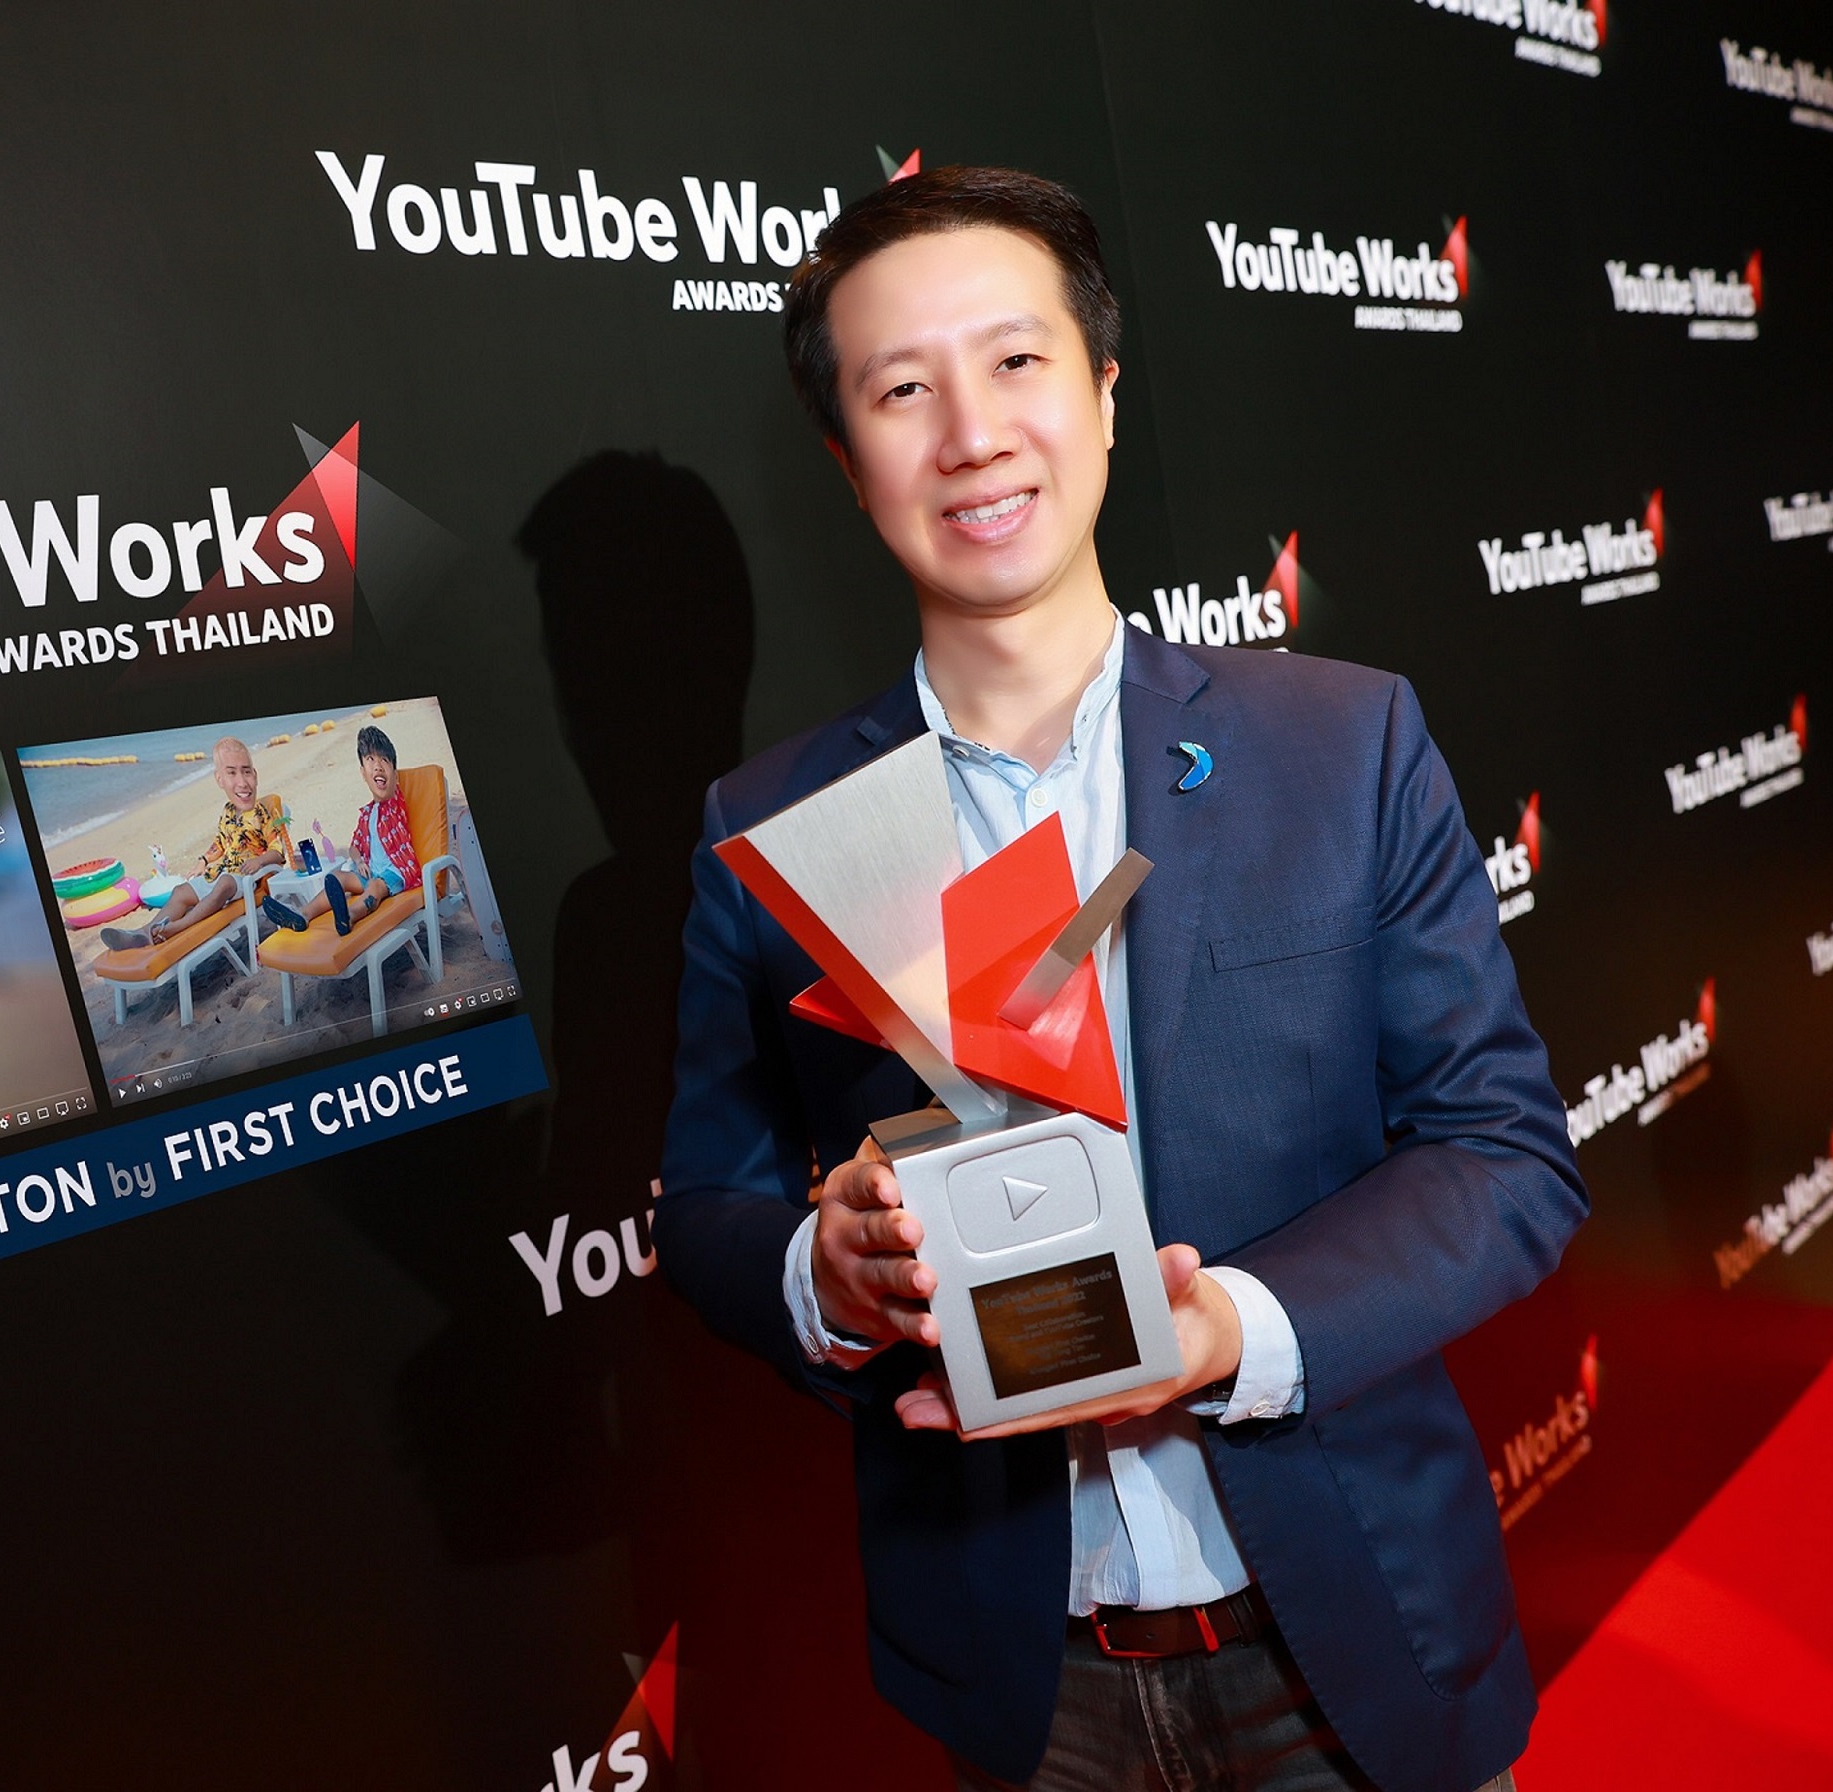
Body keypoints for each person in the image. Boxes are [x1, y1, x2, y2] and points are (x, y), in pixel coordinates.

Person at [655, 166, 1584, 1792]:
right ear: (847, 461)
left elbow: (1504, 1157)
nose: (970, 433)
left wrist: (1224, 1326)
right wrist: (826, 1268)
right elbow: (710, 1211)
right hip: (1028, 1692)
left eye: (1014, 361)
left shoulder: (1341, 744)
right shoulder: (775, 829)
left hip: (1350, 1633)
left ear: (1097, 388)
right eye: (900, 389)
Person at [104, 736, 305, 946]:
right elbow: (221, 842)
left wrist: (259, 861)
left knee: (224, 884)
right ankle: (144, 933)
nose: (242, 781)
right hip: (221, 873)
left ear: (255, 776)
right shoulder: (228, 811)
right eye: (231, 773)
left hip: (247, 878)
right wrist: (203, 861)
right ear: (220, 780)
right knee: (181, 891)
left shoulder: (263, 812)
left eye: (246, 772)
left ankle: (176, 927)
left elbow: (277, 851)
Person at [279, 726, 423, 936]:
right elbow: (354, 846)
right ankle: (303, 915)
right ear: (363, 773)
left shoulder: (395, 802)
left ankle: (349, 916)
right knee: (338, 877)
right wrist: (359, 861)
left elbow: (390, 788)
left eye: (385, 761)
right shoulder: (367, 814)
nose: (378, 766)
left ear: (395, 774)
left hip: (395, 873)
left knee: (375, 886)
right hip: (370, 871)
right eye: (371, 760)